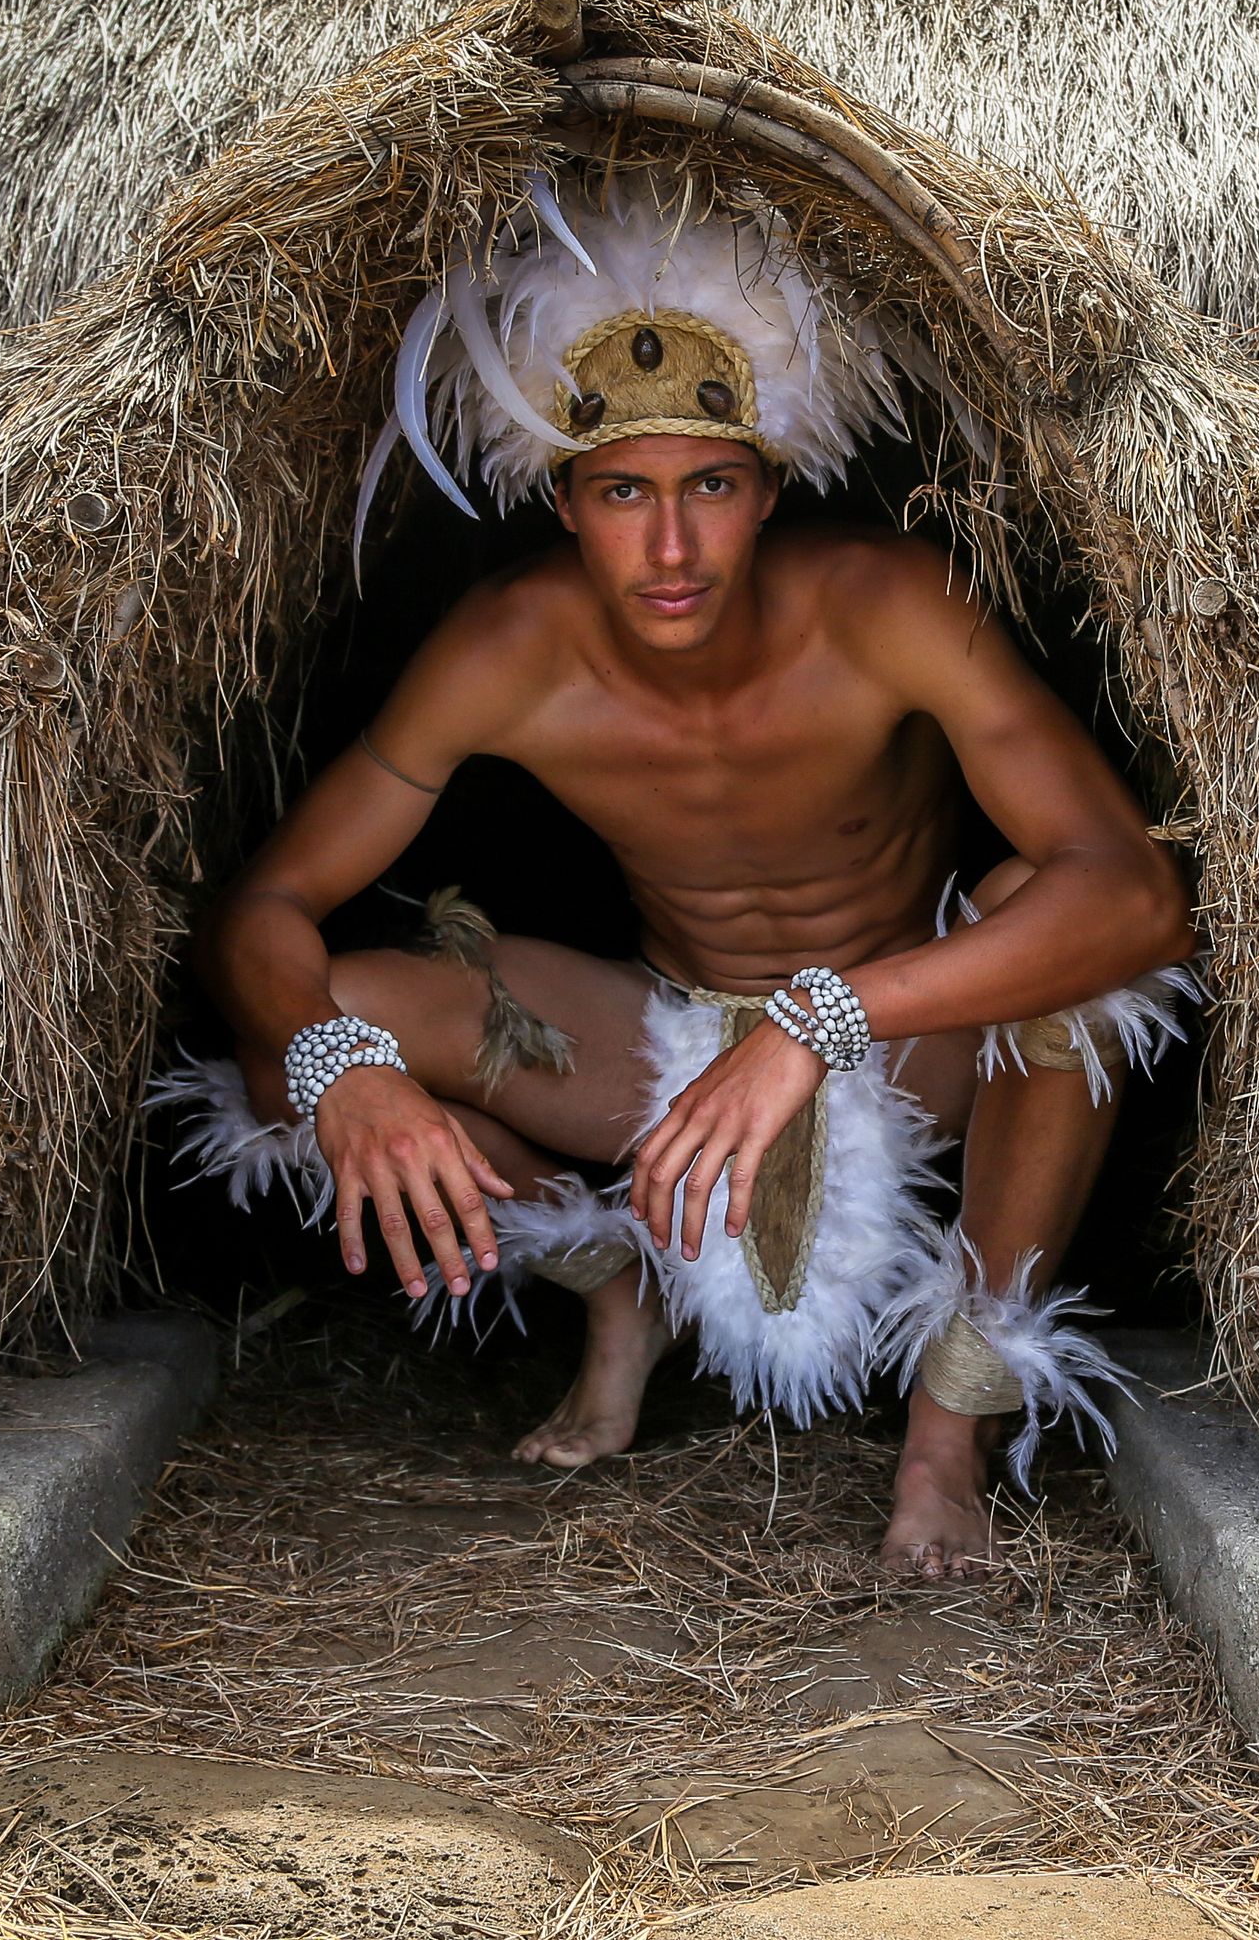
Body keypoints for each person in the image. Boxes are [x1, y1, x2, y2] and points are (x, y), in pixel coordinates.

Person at [160, 169, 1195, 1572]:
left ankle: (949, 1426)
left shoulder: (885, 606)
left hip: (906, 1039)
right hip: (659, 1043)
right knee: (307, 1033)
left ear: (767, 491)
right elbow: (264, 910)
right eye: (622, 493)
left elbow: (1134, 893)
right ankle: (613, 1286)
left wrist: (820, 1019)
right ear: (564, 503)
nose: (668, 546)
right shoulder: (508, 650)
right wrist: (353, 1075)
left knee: (1067, 947)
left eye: (709, 486)